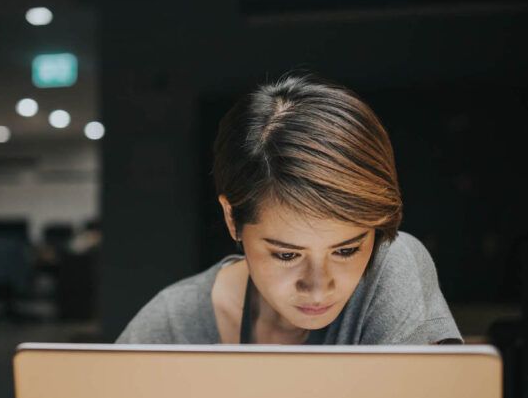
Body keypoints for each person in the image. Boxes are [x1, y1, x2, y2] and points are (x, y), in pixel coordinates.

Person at [117, 74, 462, 345]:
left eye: (346, 250)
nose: (317, 288)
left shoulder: (392, 267)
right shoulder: (174, 323)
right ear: (231, 219)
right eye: (286, 255)